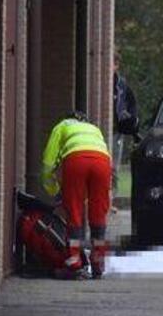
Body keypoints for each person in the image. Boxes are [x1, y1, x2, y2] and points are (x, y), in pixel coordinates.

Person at [42, 112, 112, 279]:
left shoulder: (62, 126)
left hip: (76, 161)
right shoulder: (94, 129)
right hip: (102, 162)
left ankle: (75, 265)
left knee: (74, 213)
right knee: (98, 215)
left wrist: (53, 190)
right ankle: (98, 264)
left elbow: (48, 162)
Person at [112, 54, 138, 194]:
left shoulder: (122, 84)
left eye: (113, 63)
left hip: (117, 131)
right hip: (100, 131)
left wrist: (130, 119)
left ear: (116, 65)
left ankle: (112, 198)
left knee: (114, 166)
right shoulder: (102, 84)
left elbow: (132, 103)